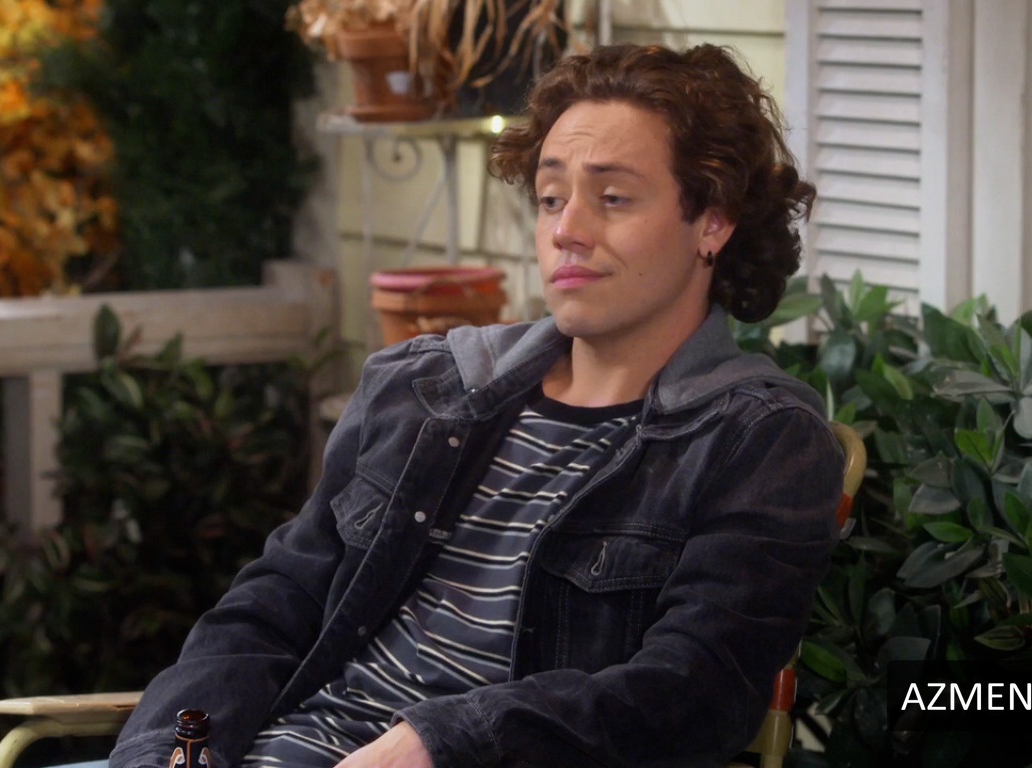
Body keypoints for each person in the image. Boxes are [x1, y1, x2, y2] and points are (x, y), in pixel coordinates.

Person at [109, 42, 841, 768]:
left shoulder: (758, 441)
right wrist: (170, 752)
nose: (566, 230)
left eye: (613, 198)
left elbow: (694, 694)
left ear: (712, 220)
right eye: (550, 199)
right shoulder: (424, 385)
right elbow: (271, 607)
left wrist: (444, 741)